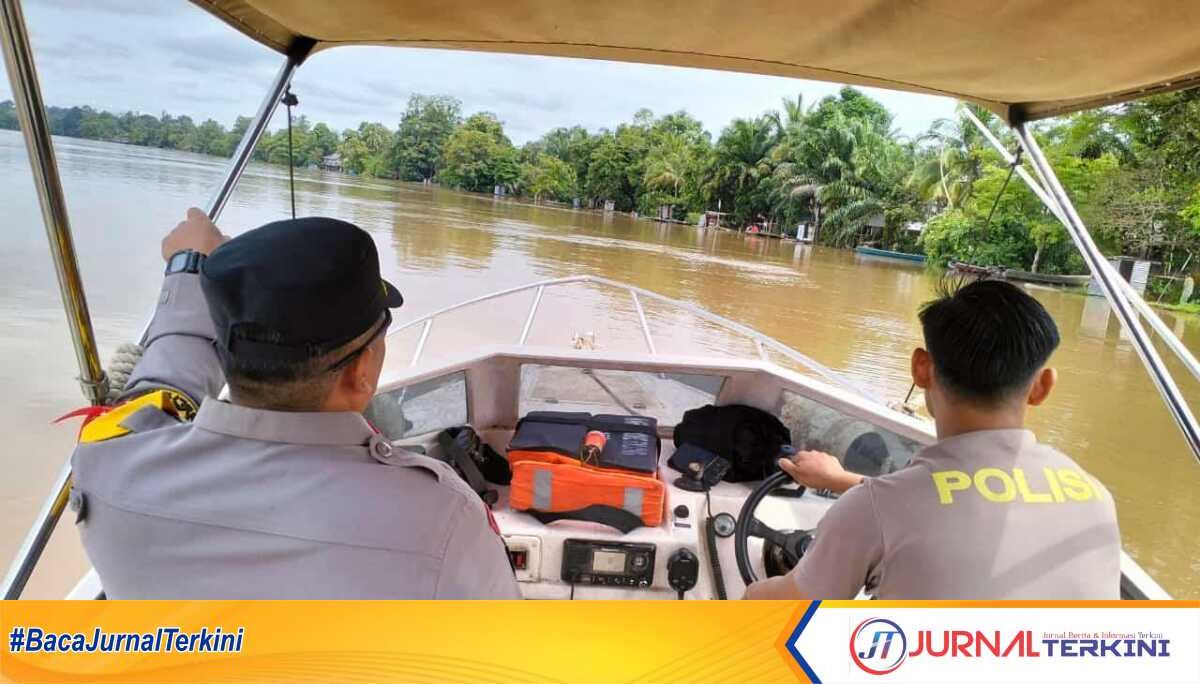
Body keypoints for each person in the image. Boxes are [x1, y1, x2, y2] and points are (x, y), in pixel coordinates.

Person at [69, 209, 520, 599]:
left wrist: (189, 270)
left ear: (225, 353)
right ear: (361, 371)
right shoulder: (445, 521)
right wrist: (189, 268)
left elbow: (158, 390)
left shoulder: (109, 467)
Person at [744, 279, 1121, 600]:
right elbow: (966, 501)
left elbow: (783, 611)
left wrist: (747, 594)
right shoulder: (1096, 497)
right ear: (1042, 387)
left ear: (922, 368)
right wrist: (842, 481)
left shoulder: (873, 510)